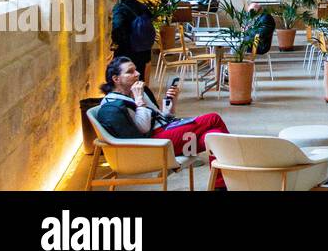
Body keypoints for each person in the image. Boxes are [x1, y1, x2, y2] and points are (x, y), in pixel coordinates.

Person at [96, 55, 230, 189]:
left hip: (166, 132)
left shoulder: (136, 91)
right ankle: (236, 165)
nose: (137, 74)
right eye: (130, 72)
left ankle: (219, 186)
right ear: (116, 79)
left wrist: (171, 104)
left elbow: (161, 116)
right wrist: (139, 99)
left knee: (215, 135)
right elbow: (143, 128)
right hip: (154, 144)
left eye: (136, 70)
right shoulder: (114, 103)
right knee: (213, 118)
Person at [107, 0, 155, 80]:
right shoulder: (141, 5)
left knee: (125, 76)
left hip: (128, 49)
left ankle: (129, 95)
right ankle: (139, 93)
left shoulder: (120, 8)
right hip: (143, 47)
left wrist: (115, 43)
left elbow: (118, 27)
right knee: (139, 74)